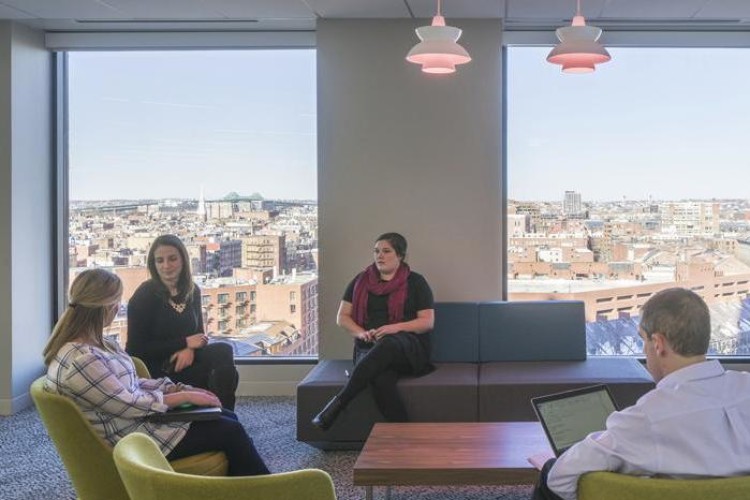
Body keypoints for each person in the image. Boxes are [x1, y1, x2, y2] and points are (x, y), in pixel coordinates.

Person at [43, 268, 269, 477]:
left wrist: (172, 388)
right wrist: (184, 397)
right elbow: (129, 404)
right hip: (133, 438)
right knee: (230, 431)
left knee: (224, 415)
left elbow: (131, 384)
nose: (118, 308)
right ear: (107, 306)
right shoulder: (83, 361)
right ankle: (269, 489)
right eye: (117, 302)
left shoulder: (98, 344)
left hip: (136, 424)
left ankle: (235, 487)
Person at [532, 287, 750, 500]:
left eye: (643, 340)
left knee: (549, 471)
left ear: (658, 344)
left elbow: (561, 477)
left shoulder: (646, 418)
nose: (644, 349)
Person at [312, 232, 435, 430]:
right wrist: (361, 333)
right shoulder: (361, 281)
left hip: (407, 349)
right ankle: (407, 436)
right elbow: (342, 317)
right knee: (380, 379)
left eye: (386, 251)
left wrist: (394, 328)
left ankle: (339, 403)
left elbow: (427, 322)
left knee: (388, 342)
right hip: (369, 347)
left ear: (400, 255)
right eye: (376, 251)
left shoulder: (416, 282)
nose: (380, 256)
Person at [126, 234, 239, 410]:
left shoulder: (192, 291)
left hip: (186, 360)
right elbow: (136, 350)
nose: (166, 266)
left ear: (183, 260)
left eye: (172, 259)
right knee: (218, 375)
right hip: (157, 368)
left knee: (224, 351)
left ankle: (224, 412)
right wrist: (184, 342)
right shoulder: (145, 295)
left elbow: (200, 336)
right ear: (153, 264)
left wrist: (189, 349)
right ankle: (220, 412)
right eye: (159, 260)